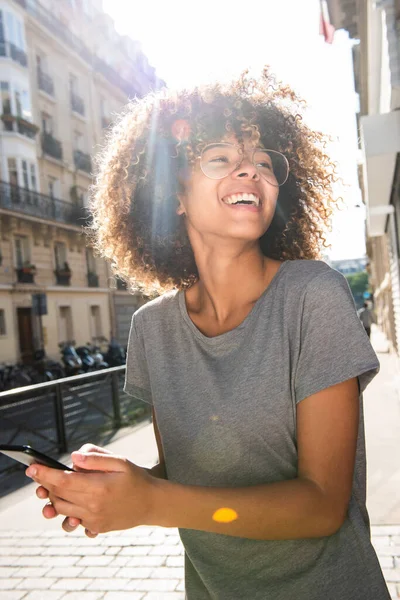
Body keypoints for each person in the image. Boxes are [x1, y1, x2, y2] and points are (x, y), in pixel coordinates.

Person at [27, 68, 390, 600]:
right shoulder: (151, 328)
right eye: (220, 158)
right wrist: (113, 487)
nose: (250, 171)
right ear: (171, 196)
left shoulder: (314, 294)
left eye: (264, 163)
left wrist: (151, 502)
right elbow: (186, 474)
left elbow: (321, 506)